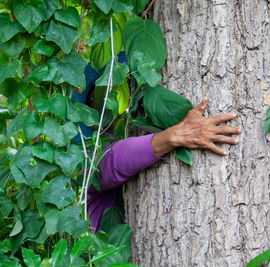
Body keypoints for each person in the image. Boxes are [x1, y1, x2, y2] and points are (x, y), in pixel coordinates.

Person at [74, 53, 241, 232]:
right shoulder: (85, 161)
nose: (112, 103)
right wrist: (175, 135)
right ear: (88, 116)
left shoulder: (139, 125)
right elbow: (114, 160)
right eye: (99, 99)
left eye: (123, 91)